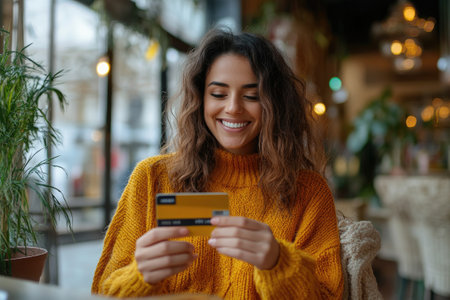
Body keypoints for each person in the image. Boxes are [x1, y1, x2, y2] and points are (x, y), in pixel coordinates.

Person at [92, 28, 343, 299]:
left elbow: (328, 295)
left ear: (275, 104)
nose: (233, 107)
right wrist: (138, 276)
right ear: (200, 99)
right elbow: (101, 291)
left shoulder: (308, 192)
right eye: (218, 94)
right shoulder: (152, 178)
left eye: (251, 96)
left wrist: (278, 263)